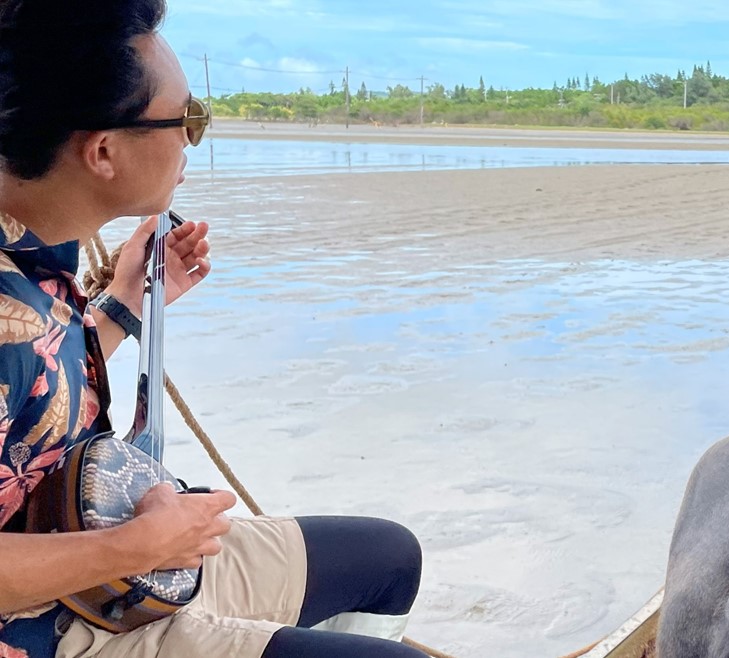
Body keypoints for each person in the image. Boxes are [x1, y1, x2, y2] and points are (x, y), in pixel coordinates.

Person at [0, 1, 429, 656]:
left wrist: (126, 301)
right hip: (45, 624)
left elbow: (32, 378)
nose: (194, 137)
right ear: (104, 151)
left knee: (389, 558)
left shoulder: (37, 247)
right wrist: (133, 545)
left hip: (113, 554)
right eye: (188, 118)